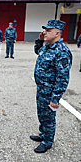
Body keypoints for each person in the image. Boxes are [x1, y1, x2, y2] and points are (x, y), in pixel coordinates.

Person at [32, 19, 72, 153]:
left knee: (49, 118)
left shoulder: (62, 51)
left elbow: (63, 78)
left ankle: (47, 142)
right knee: (42, 114)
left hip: (50, 92)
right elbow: (38, 51)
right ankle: (43, 134)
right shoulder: (47, 47)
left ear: (57, 33)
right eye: (45, 30)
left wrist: (55, 99)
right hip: (42, 89)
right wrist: (39, 40)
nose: (45, 32)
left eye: (48, 30)